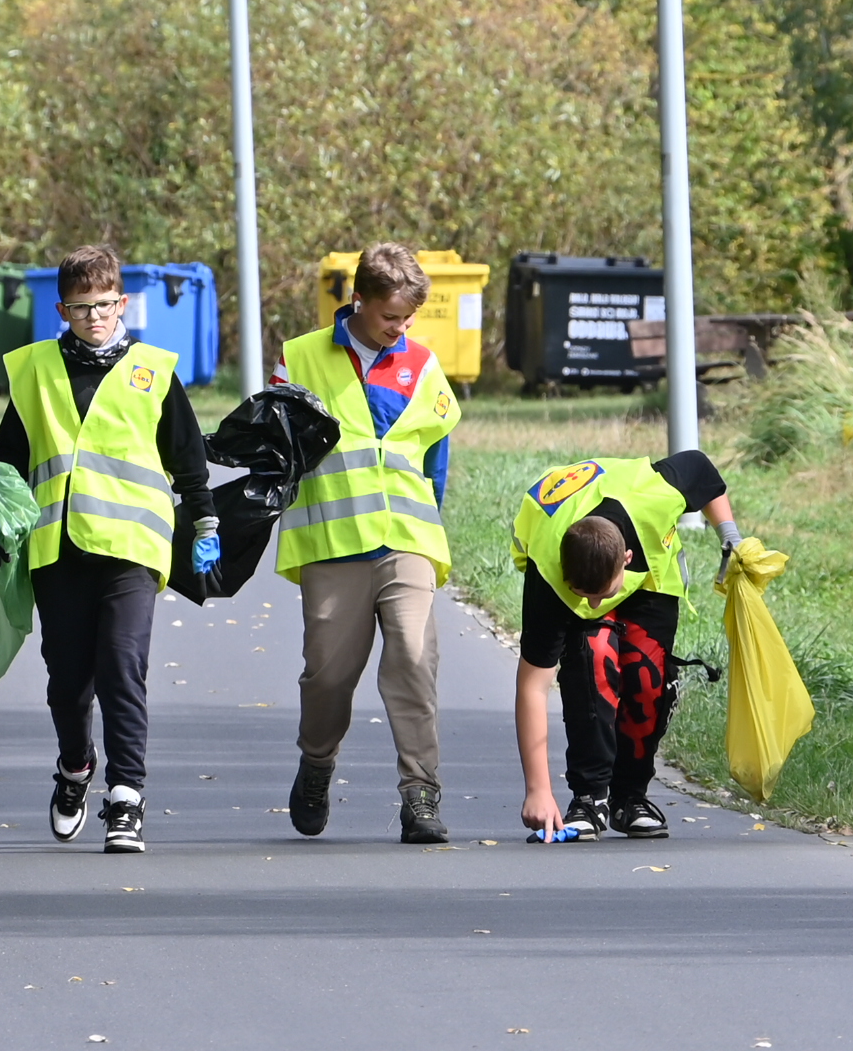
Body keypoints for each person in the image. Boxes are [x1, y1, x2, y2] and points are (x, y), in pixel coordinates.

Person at [0, 244, 218, 854]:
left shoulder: (155, 369)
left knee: (122, 668)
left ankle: (126, 799)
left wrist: (207, 526)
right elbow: (9, 455)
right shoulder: (35, 369)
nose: (94, 317)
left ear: (123, 303)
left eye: (105, 305)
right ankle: (74, 767)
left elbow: (188, 461)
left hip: (132, 548)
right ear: (62, 307)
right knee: (67, 680)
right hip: (57, 547)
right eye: (81, 307)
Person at [271, 243, 462, 844]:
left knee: (412, 658)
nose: (399, 330)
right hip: (332, 545)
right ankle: (317, 763)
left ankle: (420, 795)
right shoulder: (298, 358)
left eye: (408, 320)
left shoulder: (424, 365)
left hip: (406, 541)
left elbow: (436, 462)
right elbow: (275, 450)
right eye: (389, 318)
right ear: (358, 300)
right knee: (328, 678)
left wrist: (425, 519)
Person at [510, 451, 741, 842]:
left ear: (626, 560)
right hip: (571, 531)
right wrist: (538, 790)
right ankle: (589, 797)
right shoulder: (548, 578)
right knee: (592, 656)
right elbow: (532, 686)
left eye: (602, 594)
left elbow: (701, 468)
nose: (596, 604)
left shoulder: (656, 493)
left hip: (650, 578)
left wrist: (730, 536)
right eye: (585, 595)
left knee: (646, 675)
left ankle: (629, 797)